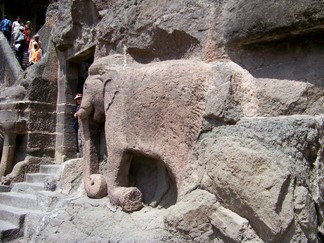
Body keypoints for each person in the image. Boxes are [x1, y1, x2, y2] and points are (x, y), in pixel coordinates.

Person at [73, 93, 83, 157]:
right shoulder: (77, 107)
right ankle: (82, 156)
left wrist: (77, 113)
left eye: (80, 98)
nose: (78, 100)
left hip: (85, 127)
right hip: (79, 126)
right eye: (77, 99)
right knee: (79, 142)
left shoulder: (84, 106)